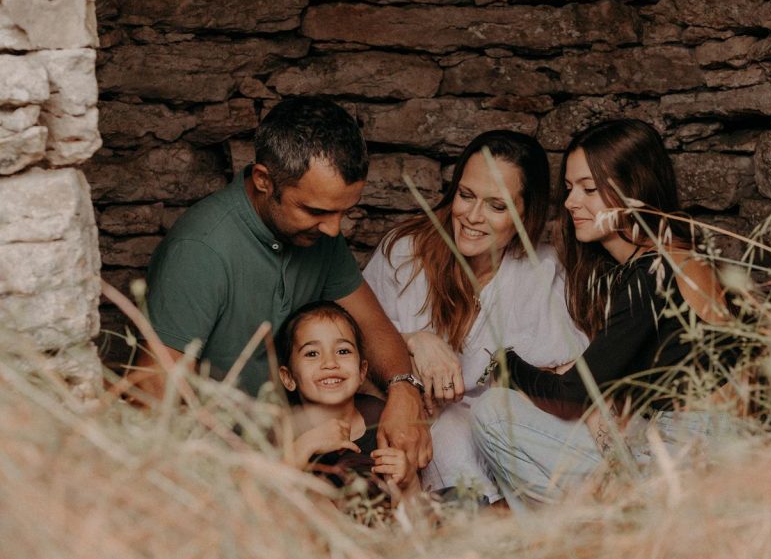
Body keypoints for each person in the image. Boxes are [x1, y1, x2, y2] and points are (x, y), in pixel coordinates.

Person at [134, 96, 430, 482]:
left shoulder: (318, 233)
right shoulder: (201, 251)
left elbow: (371, 324)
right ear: (263, 180)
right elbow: (151, 399)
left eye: (344, 211)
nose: (334, 230)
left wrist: (404, 390)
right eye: (316, 211)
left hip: (306, 449)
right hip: (228, 472)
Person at [471, 118, 742, 509]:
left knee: (493, 412)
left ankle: (586, 533)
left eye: (589, 189)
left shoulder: (653, 271)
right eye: (568, 189)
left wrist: (505, 366)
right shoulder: (675, 255)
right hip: (673, 441)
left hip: (687, 454)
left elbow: (575, 393)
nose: (570, 203)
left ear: (633, 189)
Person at [362, 131, 588, 503]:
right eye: (466, 196)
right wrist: (413, 343)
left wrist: (501, 386)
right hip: (420, 445)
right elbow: (345, 344)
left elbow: (571, 378)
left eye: (497, 206)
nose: (472, 216)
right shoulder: (404, 254)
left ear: (524, 214)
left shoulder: (542, 270)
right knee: (450, 432)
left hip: (508, 444)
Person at [275, 301, 419, 500]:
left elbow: (418, 516)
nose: (330, 363)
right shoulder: (285, 429)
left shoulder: (381, 418)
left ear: (362, 371)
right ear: (288, 377)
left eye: (343, 351)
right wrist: (307, 445)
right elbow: (261, 492)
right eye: (312, 353)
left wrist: (409, 481)